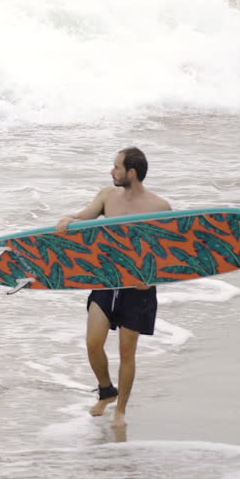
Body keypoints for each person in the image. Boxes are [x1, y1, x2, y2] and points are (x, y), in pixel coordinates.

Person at [55, 147, 170, 428]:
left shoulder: (159, 208)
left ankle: (120, 410)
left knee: (127, 353)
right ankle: (106, 390)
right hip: (107, 281)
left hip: (138, 288)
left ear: (132, 172)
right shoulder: (107, 196)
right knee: (93, 343)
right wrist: (68, 220)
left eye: (117, 167)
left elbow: (166, 252)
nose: (112, 171)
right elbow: (84, 217)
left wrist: (151, 278)